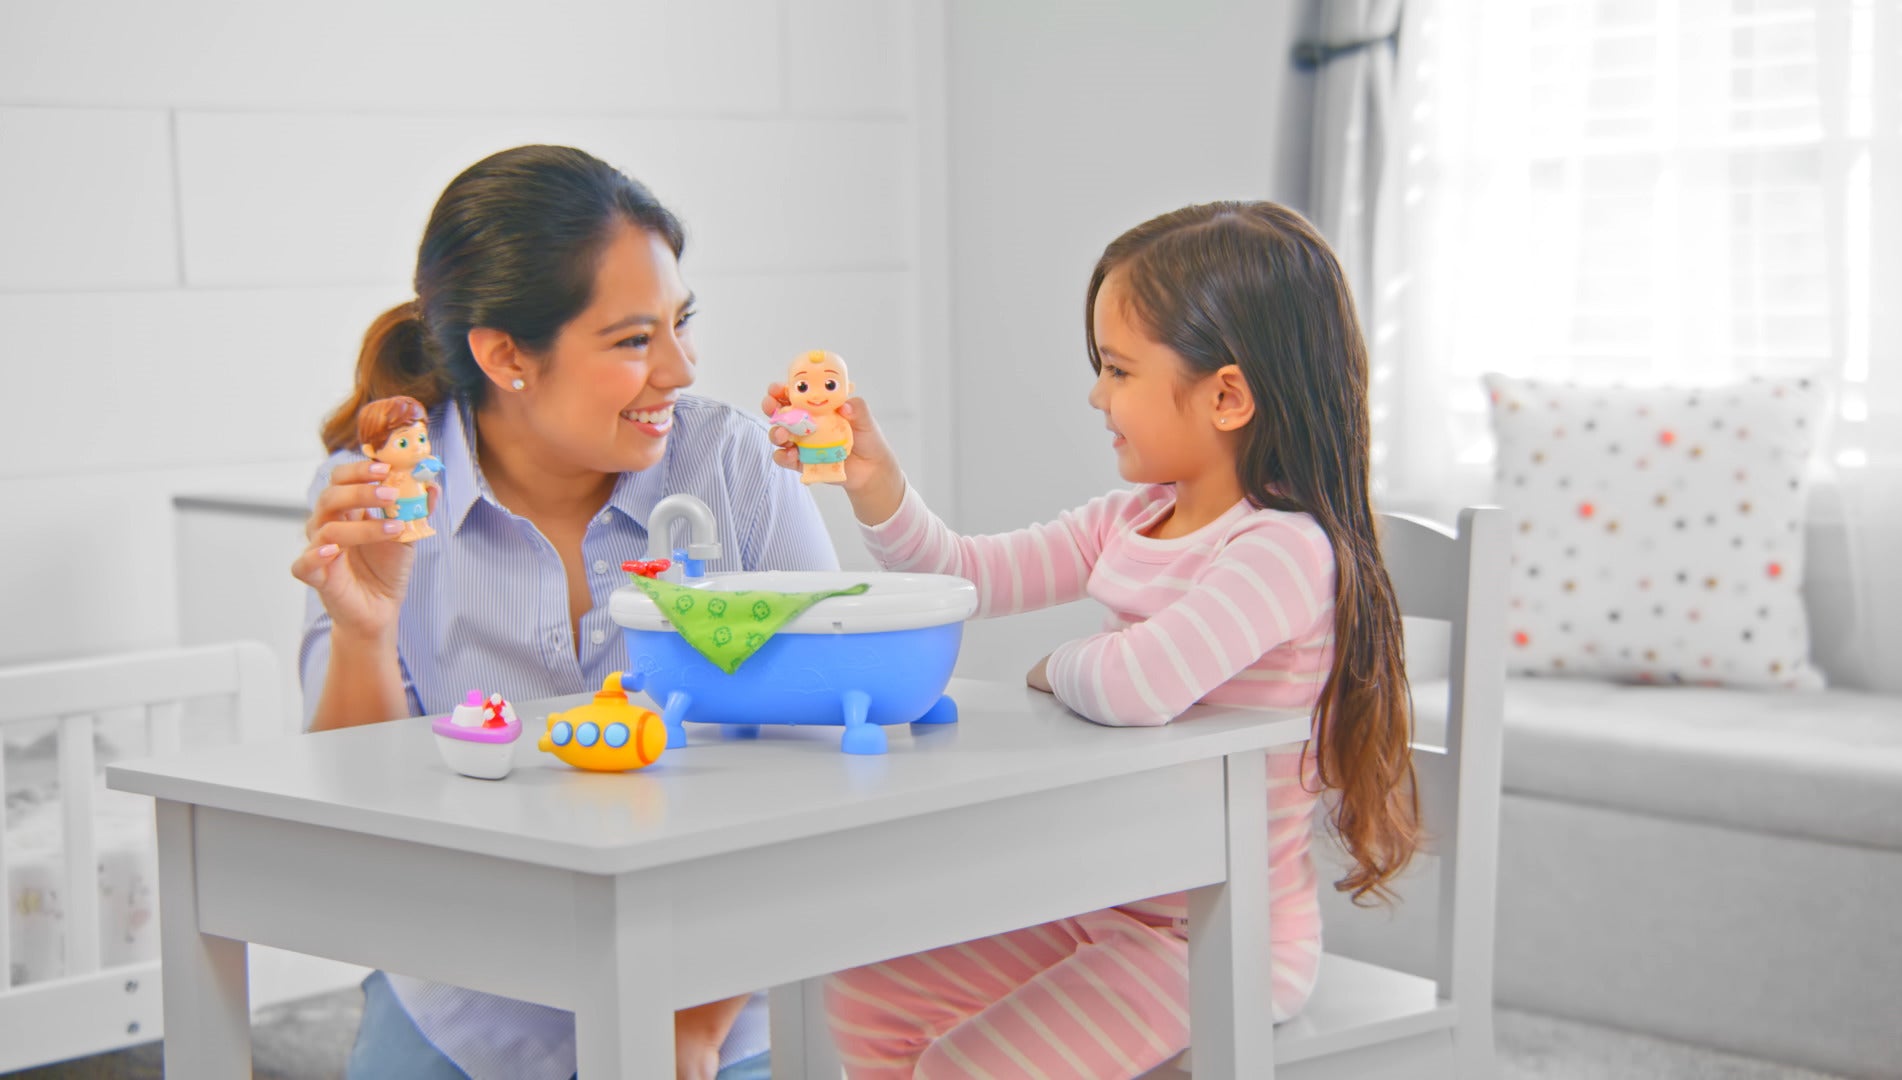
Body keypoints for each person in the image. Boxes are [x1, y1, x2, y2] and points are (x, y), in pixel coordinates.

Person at [767, 201, 1421, 1079]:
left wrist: (1053, 667)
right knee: (865, 992)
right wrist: (874, 483)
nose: (1096, 395)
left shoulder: (1282, 550)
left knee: (966, 1068)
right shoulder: (1133, 518)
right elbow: (962, 573)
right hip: (1103, 903)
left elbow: (1136, 687)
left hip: (1220, 935)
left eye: (1118, 369)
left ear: (1227, 396)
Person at [292, 144, 836, 1080]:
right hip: (470, 990)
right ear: (507, 356)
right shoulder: (382, 498)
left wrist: (694, 1024)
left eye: (681, 322)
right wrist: (365, 630)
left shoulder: (736, 466)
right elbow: (356, 825)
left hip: (724, 969)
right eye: (633, 341)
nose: (680, 368)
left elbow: (824, 767)